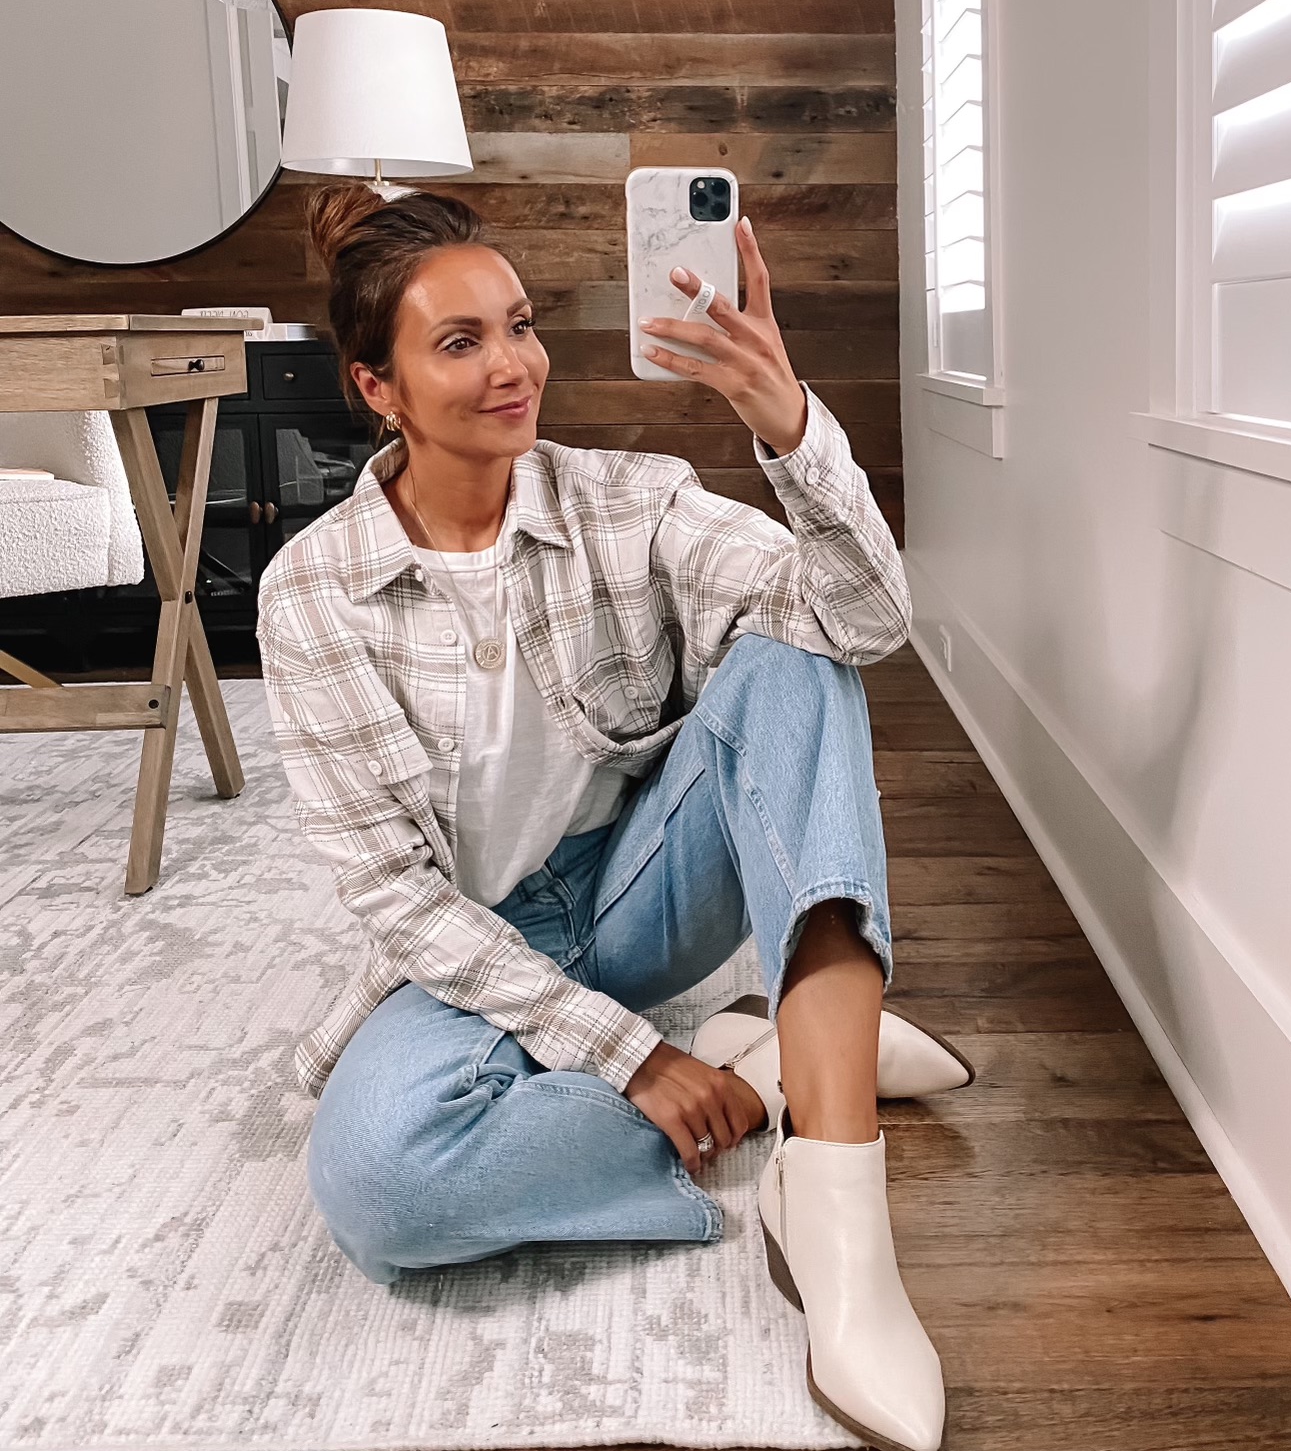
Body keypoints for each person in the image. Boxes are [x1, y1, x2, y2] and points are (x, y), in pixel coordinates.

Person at [256, 183, 953, 1451]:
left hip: (638, 885)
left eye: (519, 325)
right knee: (383, 1185)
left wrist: (785, 423)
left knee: (799, 654)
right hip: (468, 941)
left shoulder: (630, 500)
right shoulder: (314, 595)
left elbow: (862, 622)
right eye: (459, 342)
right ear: (378, 387)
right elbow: (399, 896)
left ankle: (844, 1218)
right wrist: (632, 1053)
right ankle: (773, 1067)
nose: (515, 365)